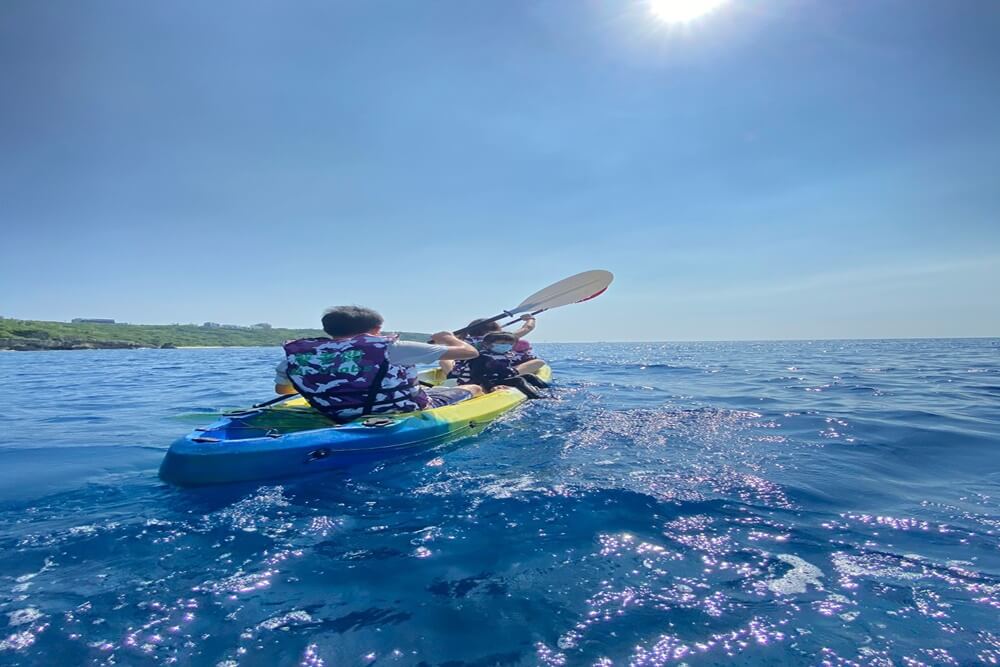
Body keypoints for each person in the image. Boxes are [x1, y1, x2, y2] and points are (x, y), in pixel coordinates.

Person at [274, 306, 482, 423]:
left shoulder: (295, 356)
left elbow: (283, 390)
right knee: (474, 387)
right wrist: (449, 337)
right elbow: (470, 353)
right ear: (377, 329)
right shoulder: (394, 347)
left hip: (335, 414)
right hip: (400, 413)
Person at [442, 314, 540, 383]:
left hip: (463, 372)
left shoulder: (463, 341)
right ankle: (513, 373)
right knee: (539, 362)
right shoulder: (500, 338)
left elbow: (445, 342)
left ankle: (452, 375)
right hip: (494, 372)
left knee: (444, 360)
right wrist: (530, 319)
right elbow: (527, 328)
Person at [466, 332, 549, 399]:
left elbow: (503, 369)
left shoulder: (504, 355)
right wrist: (490, 387)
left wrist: (510, 373)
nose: (506, 346)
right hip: (489, 381)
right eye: (502, 343)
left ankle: (547, 390)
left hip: (501, 378)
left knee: (529, 376)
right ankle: (535, 397)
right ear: (487, 344)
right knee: (518, 380)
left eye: (510, 344)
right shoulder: (482, 357)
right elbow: (476, 375)